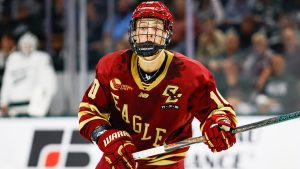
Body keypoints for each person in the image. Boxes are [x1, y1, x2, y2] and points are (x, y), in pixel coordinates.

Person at [78, 1, 237, 169]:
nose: (148, 35)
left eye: (155, 29)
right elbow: (90, 110)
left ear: (167, 33)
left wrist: (219, 124)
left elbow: (218, 110)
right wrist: (104, 136)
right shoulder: (112, 67)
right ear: (133, 32)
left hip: (166, 164)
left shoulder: (192, 74)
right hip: (119, 160)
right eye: (143, 28)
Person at [0, 32, 57, 117]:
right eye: (25, 44)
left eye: (29, 44)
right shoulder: (13, 58)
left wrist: (41, 106)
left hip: (33, 107)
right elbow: (7, 82)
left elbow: (50, 84)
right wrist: (3, 102)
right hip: (12, 107)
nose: (27, 46)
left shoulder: (41, 58)